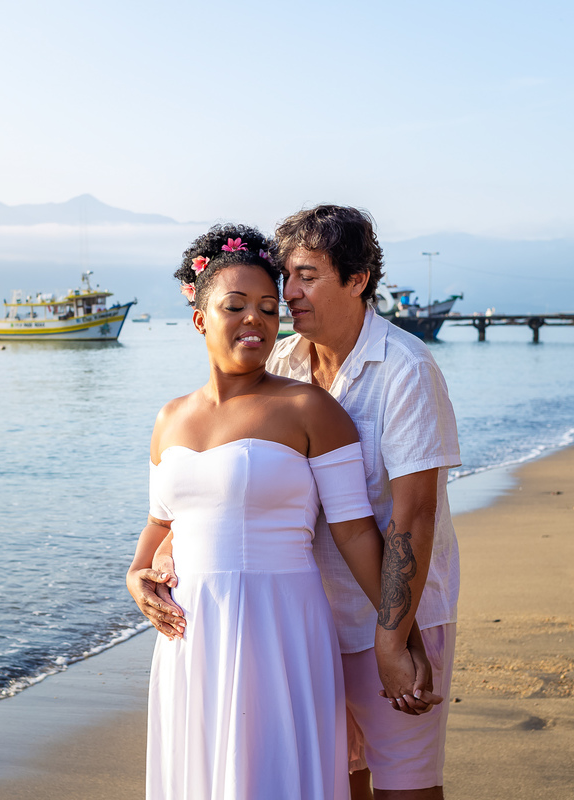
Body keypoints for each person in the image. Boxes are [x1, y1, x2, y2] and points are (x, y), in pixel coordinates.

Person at [136, 206, 461, 799]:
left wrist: (397, 639)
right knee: (336, 779)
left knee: (405, 787)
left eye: (305, 277)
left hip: (387, 615)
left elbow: (411, 520)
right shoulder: (280, 361)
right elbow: (195, 509)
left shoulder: (405, 369)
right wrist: (144, 572)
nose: (286, 296)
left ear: (357, 279)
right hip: (303, 624)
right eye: (286, 278)